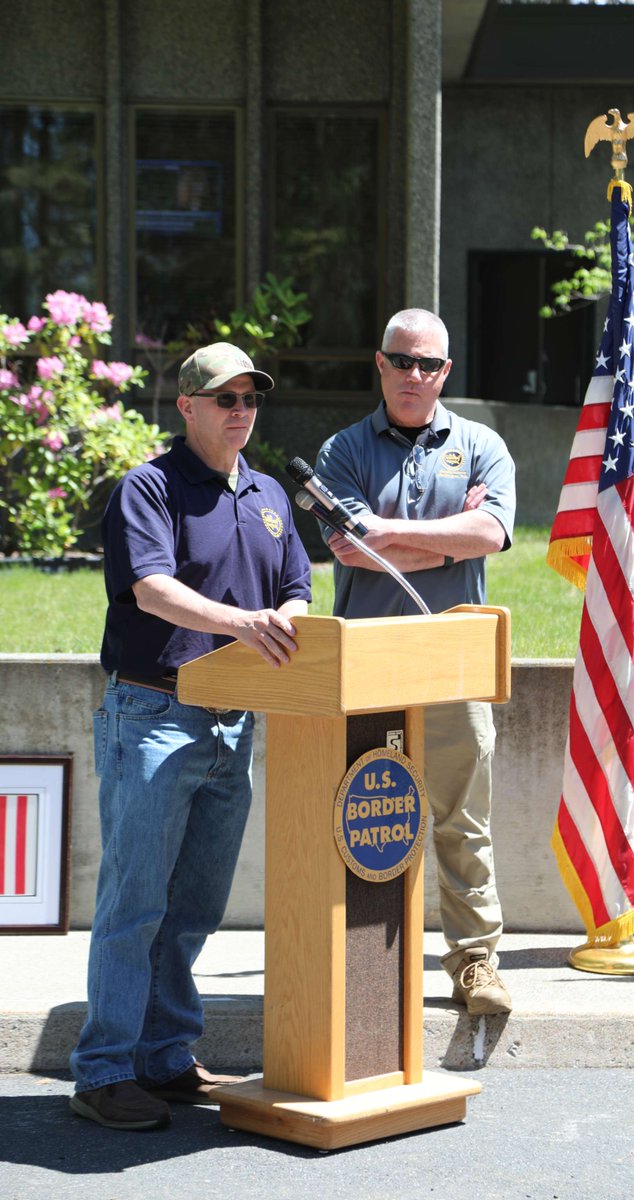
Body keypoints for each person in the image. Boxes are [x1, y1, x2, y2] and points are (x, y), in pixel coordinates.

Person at [70, 342, 312, 1131]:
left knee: (195, 906)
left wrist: (287, 622)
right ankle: (103, 1070)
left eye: (250, 398)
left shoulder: (270, 493)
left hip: (234, 723)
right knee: (134, 903)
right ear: (187, 406)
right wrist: (244, 625)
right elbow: (150, 587)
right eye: (225, 398)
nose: (240, 410)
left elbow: (298, 588)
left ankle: (165, 1057)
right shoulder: (149, 486)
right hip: (153, 715)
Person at [315, 308, 515, 1015]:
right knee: (363, 818)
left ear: (446, 372)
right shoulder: (342, 451)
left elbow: (490, 532)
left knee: (463, 819)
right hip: (364, 663)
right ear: (380, 363)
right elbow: (348, 545)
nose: (414, 375)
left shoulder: (483, 444)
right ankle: (361, 971)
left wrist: (390, 531)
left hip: (451, 661)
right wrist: (444, 538)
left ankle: (475, 965)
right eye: (402, 361)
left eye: (428, 364)